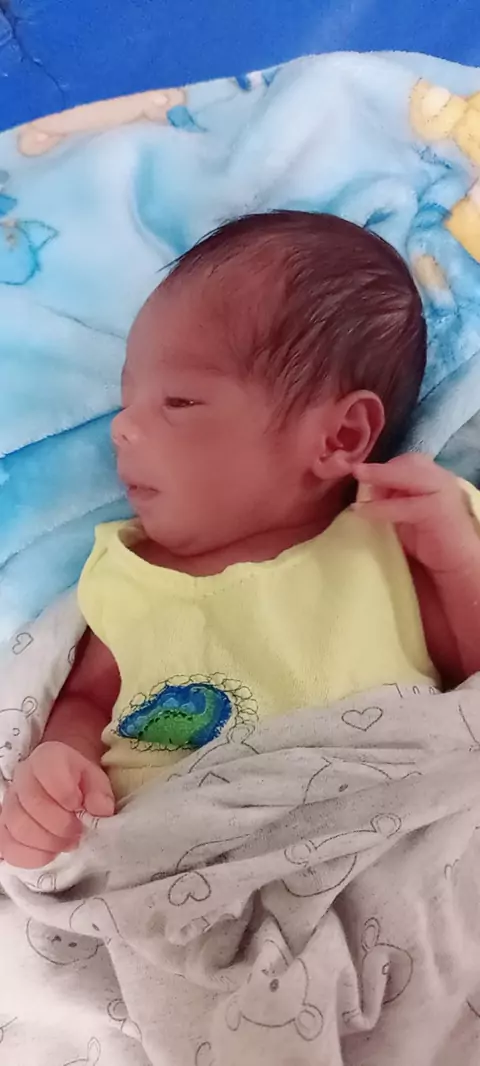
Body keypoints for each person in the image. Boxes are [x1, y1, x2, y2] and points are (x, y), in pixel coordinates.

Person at [2, 210, 480, 870]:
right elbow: (85, 698)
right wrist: (60, 760)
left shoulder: (392, 542)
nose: (122, 428)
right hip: (168, 874)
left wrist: (457, 558)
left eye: (179, 402)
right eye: (127, 400)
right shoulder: (127, 571)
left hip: (376, 853)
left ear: (339, 437)